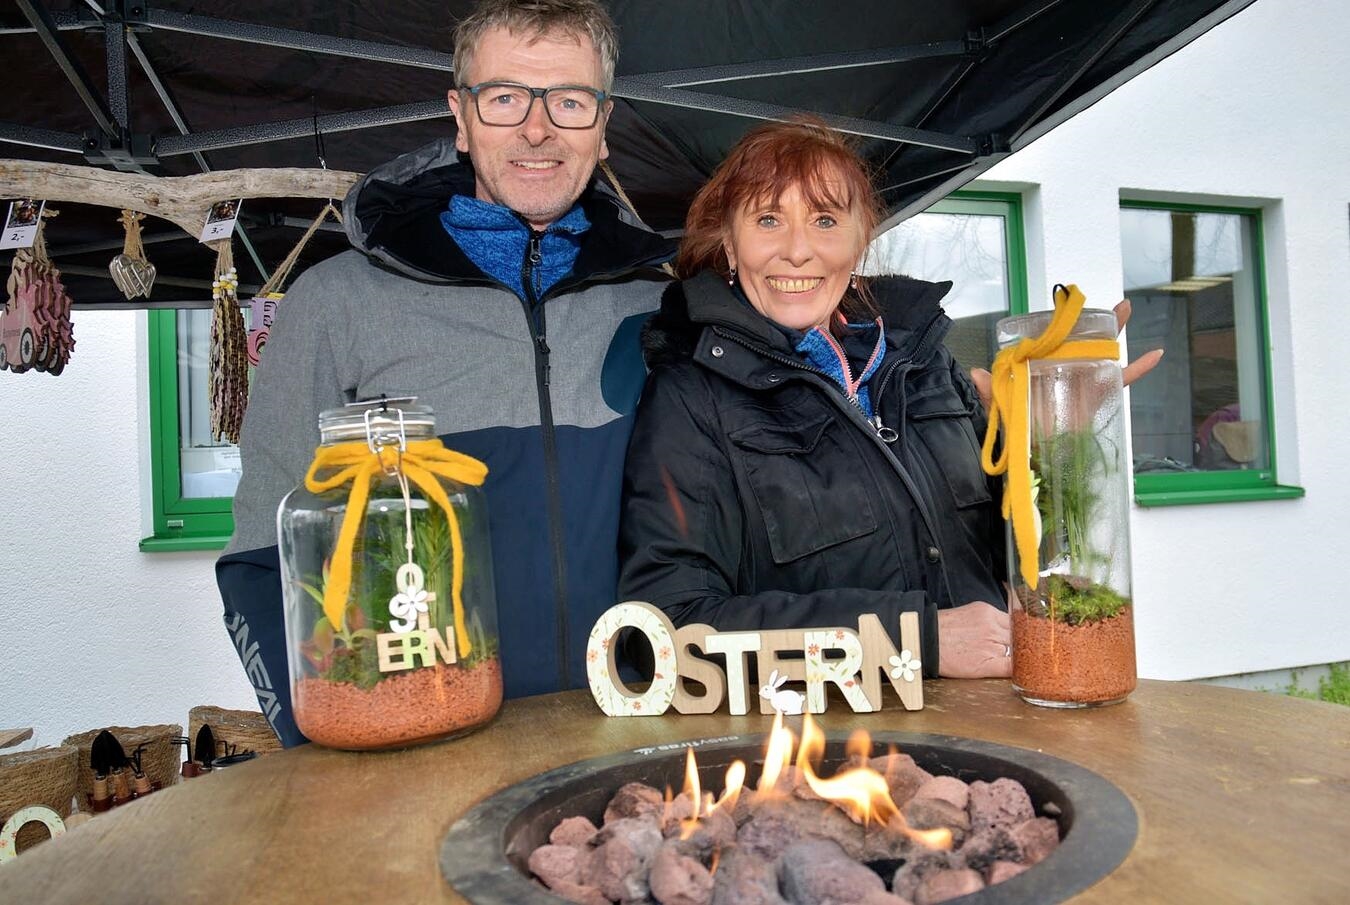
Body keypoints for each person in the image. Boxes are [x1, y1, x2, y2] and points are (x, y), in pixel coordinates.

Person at [218, 0, 673, 746]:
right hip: (426, 750)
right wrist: (318, 741)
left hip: (634, 737)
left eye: (569, 101)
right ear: (461, 118)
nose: (537, 129)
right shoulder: (337, 304)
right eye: (504, 99)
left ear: (603, 125)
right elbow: (259, 558)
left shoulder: (658, 303)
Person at [618, 119, 1014, 680]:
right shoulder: (693, 395)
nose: (798, 251)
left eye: (825, 220)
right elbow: (666, 627)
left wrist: (1061, 435)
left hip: (996, 715)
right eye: (768, 220)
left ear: (859, 241)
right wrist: (911, 638)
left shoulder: (925, 363)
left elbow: (1017, 548)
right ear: (730, 243)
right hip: (825, 731)